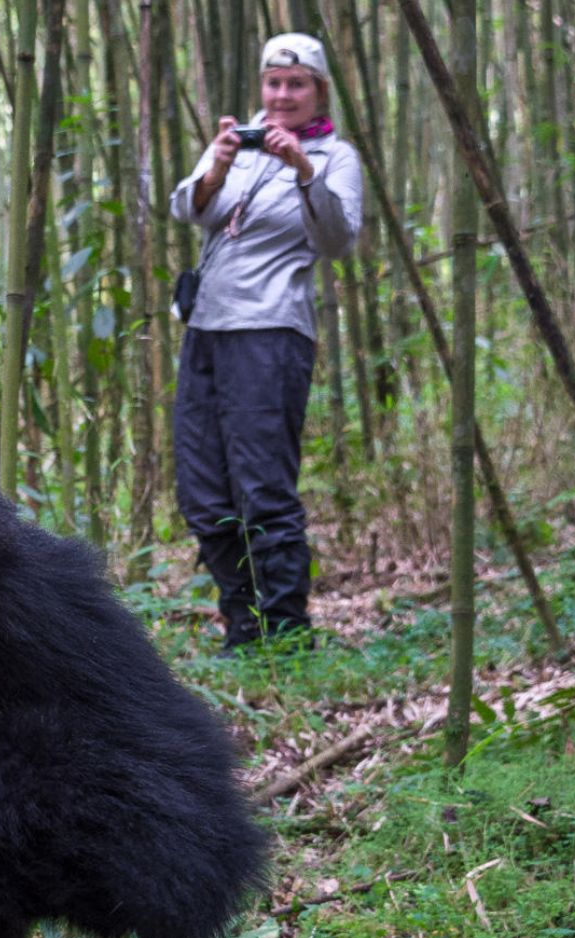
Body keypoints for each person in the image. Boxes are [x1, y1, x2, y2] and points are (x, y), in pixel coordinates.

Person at [168, 32, 363, 652]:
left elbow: (337, 240)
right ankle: (243, 625)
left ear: (318, 91)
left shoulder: (337, 158)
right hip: (206, 330)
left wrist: (303, 171)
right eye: (274, 83)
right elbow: (191, 208)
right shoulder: (241, 142)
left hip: (271, 333)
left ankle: (285, 631)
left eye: (297, 84)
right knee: (202, 493)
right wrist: (221, 162)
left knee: (263, 490)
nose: (283, 96)